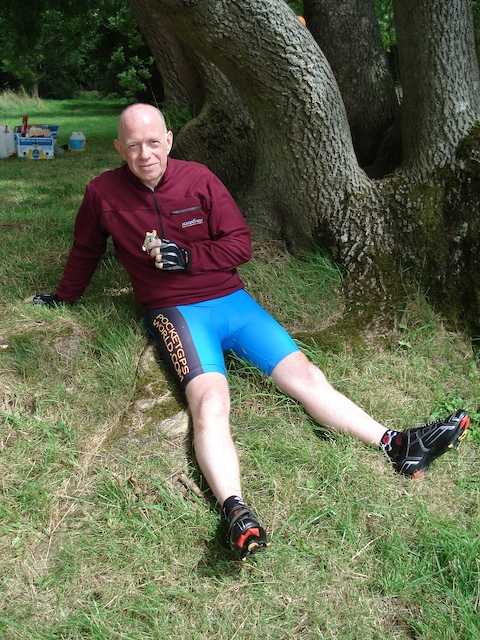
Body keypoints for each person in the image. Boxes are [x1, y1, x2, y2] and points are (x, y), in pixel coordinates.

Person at [33, 104, 470, 559]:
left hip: (233, 303)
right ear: (118, 147)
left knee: (309, 378)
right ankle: (235, 510)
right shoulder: (102, 192)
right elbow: (85, 248)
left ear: (169, 139)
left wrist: (189, 257)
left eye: (154, 142)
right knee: (210, 401)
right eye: (134, 145)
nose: (146, 154)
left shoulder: (199, 178)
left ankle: (399, 445)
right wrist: (64, 298)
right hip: (176, 311)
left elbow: (239, 242)